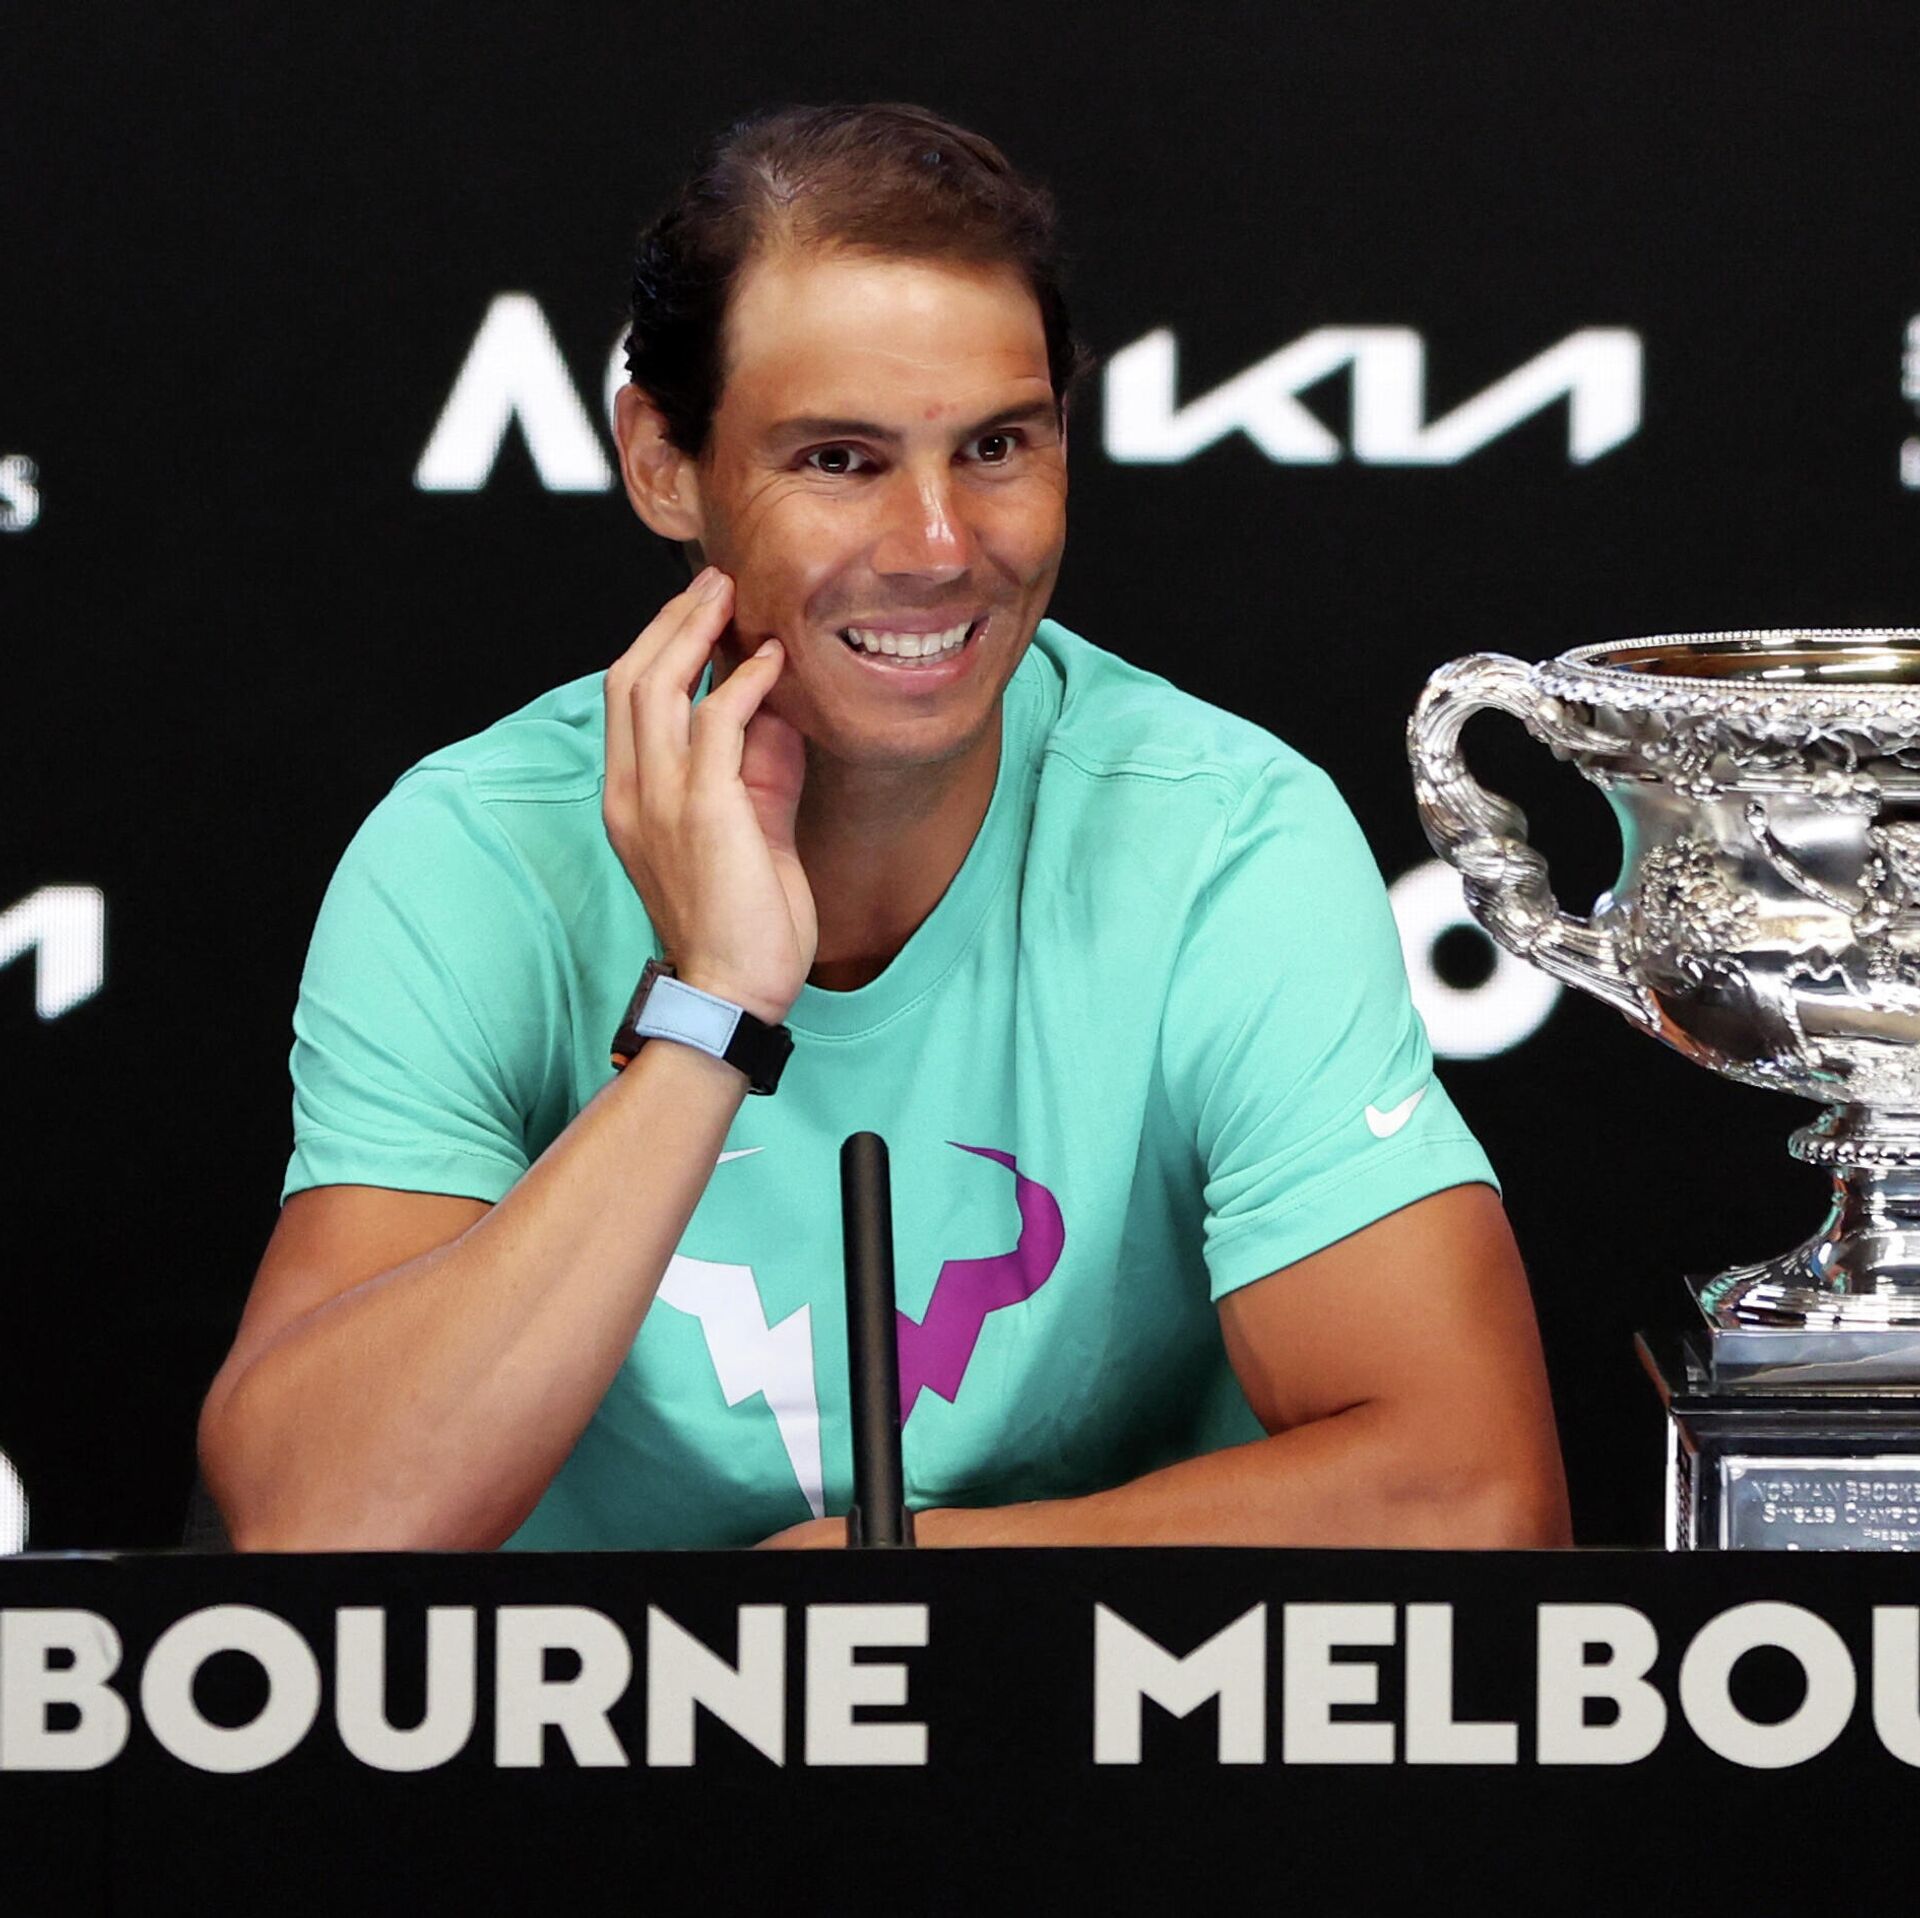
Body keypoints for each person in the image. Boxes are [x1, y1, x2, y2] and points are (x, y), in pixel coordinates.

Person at [198, 103, 1570, 1551]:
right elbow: (321, 1528)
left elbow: (1474, 1496)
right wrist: (713, 1013)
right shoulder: (473, 859)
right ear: (664, 461)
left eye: (996, 446)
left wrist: (890, 1596)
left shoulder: (1224, 841)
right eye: (839, 459)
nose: (937, 546)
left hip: (1072, 1701)